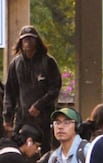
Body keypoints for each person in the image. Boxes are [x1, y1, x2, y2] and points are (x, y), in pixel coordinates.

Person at [3, 25, 62, 153]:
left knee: (44, 151)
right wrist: (7, 117)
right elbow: (10, 92)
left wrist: (39, 105)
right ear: (21, 42)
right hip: (22, 117)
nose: (28, 43)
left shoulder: (48, 62)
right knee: (19, 150)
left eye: (31, 39)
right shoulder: (15, 64)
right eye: (25, 40)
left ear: (37, 41)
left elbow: (55, 88)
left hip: (44, 118)